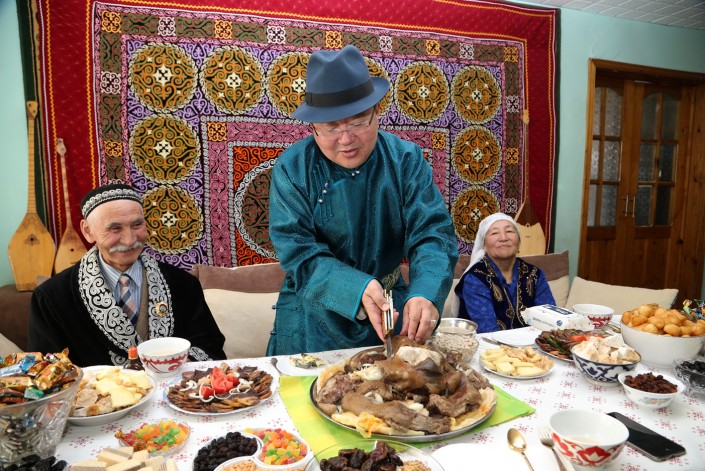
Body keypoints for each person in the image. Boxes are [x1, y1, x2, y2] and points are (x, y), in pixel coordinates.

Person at [267, 45, 458, 355]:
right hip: (313, 315)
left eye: (357, 122)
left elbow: (432, 234)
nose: (345, 139)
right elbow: (298, 252)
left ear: (377, 112)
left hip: (391, 310)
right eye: (330, 127)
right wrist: (354, 287)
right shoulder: (293, 168)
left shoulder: (405, 160)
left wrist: (425, 292)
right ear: (312, 127)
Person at [28, 184, 226, 366]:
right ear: (87, 231)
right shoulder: (51, 298)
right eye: (115, 228)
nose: (130, 240)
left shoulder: (183, 285)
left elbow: (210, 347)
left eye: (137, 225)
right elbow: (48, 370)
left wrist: (177, 364)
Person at [452, 212, 555, 333]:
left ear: (519, 242)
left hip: (534, 342)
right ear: (484, 245)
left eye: (509, 231)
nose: (503, 238)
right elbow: (488, 331)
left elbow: (550, 318)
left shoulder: (535, 274)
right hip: (488, 343)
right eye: (495, 233)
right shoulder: (475, 278)